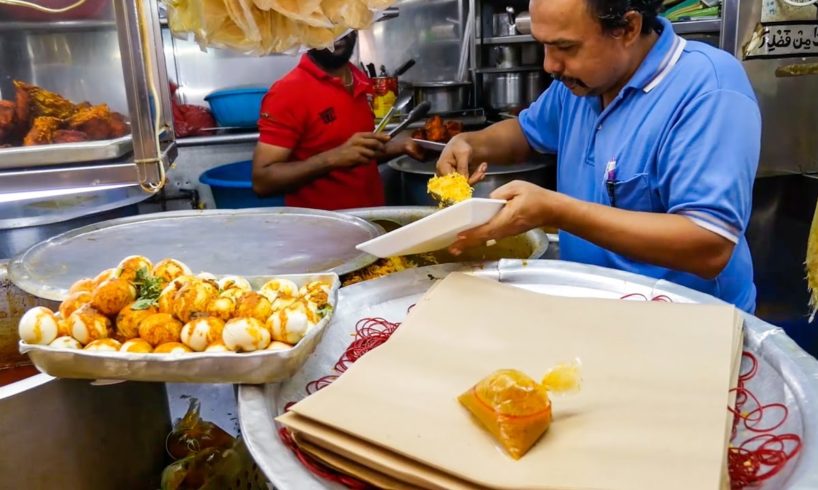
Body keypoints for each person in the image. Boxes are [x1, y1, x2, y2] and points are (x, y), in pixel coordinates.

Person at [437, 0, 760, 312]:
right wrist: (471, 143)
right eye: (544, 46)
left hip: (687, 320)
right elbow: (526, 133)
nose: (550, 65)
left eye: (566, 48)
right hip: (594, 306)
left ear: (628, 28)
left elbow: (708, 246)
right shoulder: (580, 85)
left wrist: (558, 212)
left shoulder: (709, 89)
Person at [252, 31, 423, 210]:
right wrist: (332, 159)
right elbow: (263, 181)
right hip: (321, 230)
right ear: (305, 29)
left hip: (371, 221)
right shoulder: (288, 92)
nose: (335, 34)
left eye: (342, 22)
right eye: (323, 25)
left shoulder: (361, 81)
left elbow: (356, 154)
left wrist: (404, 145)